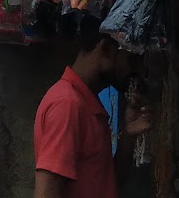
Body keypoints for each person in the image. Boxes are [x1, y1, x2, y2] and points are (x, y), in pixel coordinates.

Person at [34, 20, 153, 198]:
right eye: (131, 60)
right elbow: (46, 193)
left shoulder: (86, 103)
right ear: (105, 49)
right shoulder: (68, 105)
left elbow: (108, 184)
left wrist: (128, 136)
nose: (134, 70)